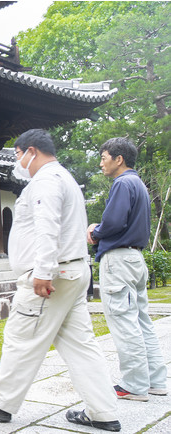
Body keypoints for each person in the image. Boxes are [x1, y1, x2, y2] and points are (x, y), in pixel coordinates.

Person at [0, 129, 121, 432]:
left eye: (19, 154)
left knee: (21, 336)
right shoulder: (65, 178)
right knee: (81, 346)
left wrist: (42, 271)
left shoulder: (45, 181)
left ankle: (2, 402)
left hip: (53, 275)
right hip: (73, 271)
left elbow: (48, 226)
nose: (18, 161)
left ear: (30, 151)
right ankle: (103, 411)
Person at [87, 137, 168, 401]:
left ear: (118, 159)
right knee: (142, 321)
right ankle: (155, 380)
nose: (101, 163)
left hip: (119, 260)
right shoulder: (139, 184)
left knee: (124, 322)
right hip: (136, 259)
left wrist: (94, 231)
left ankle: (133, 384)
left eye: (103, 157)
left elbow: (113, 223)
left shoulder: (122, 183)